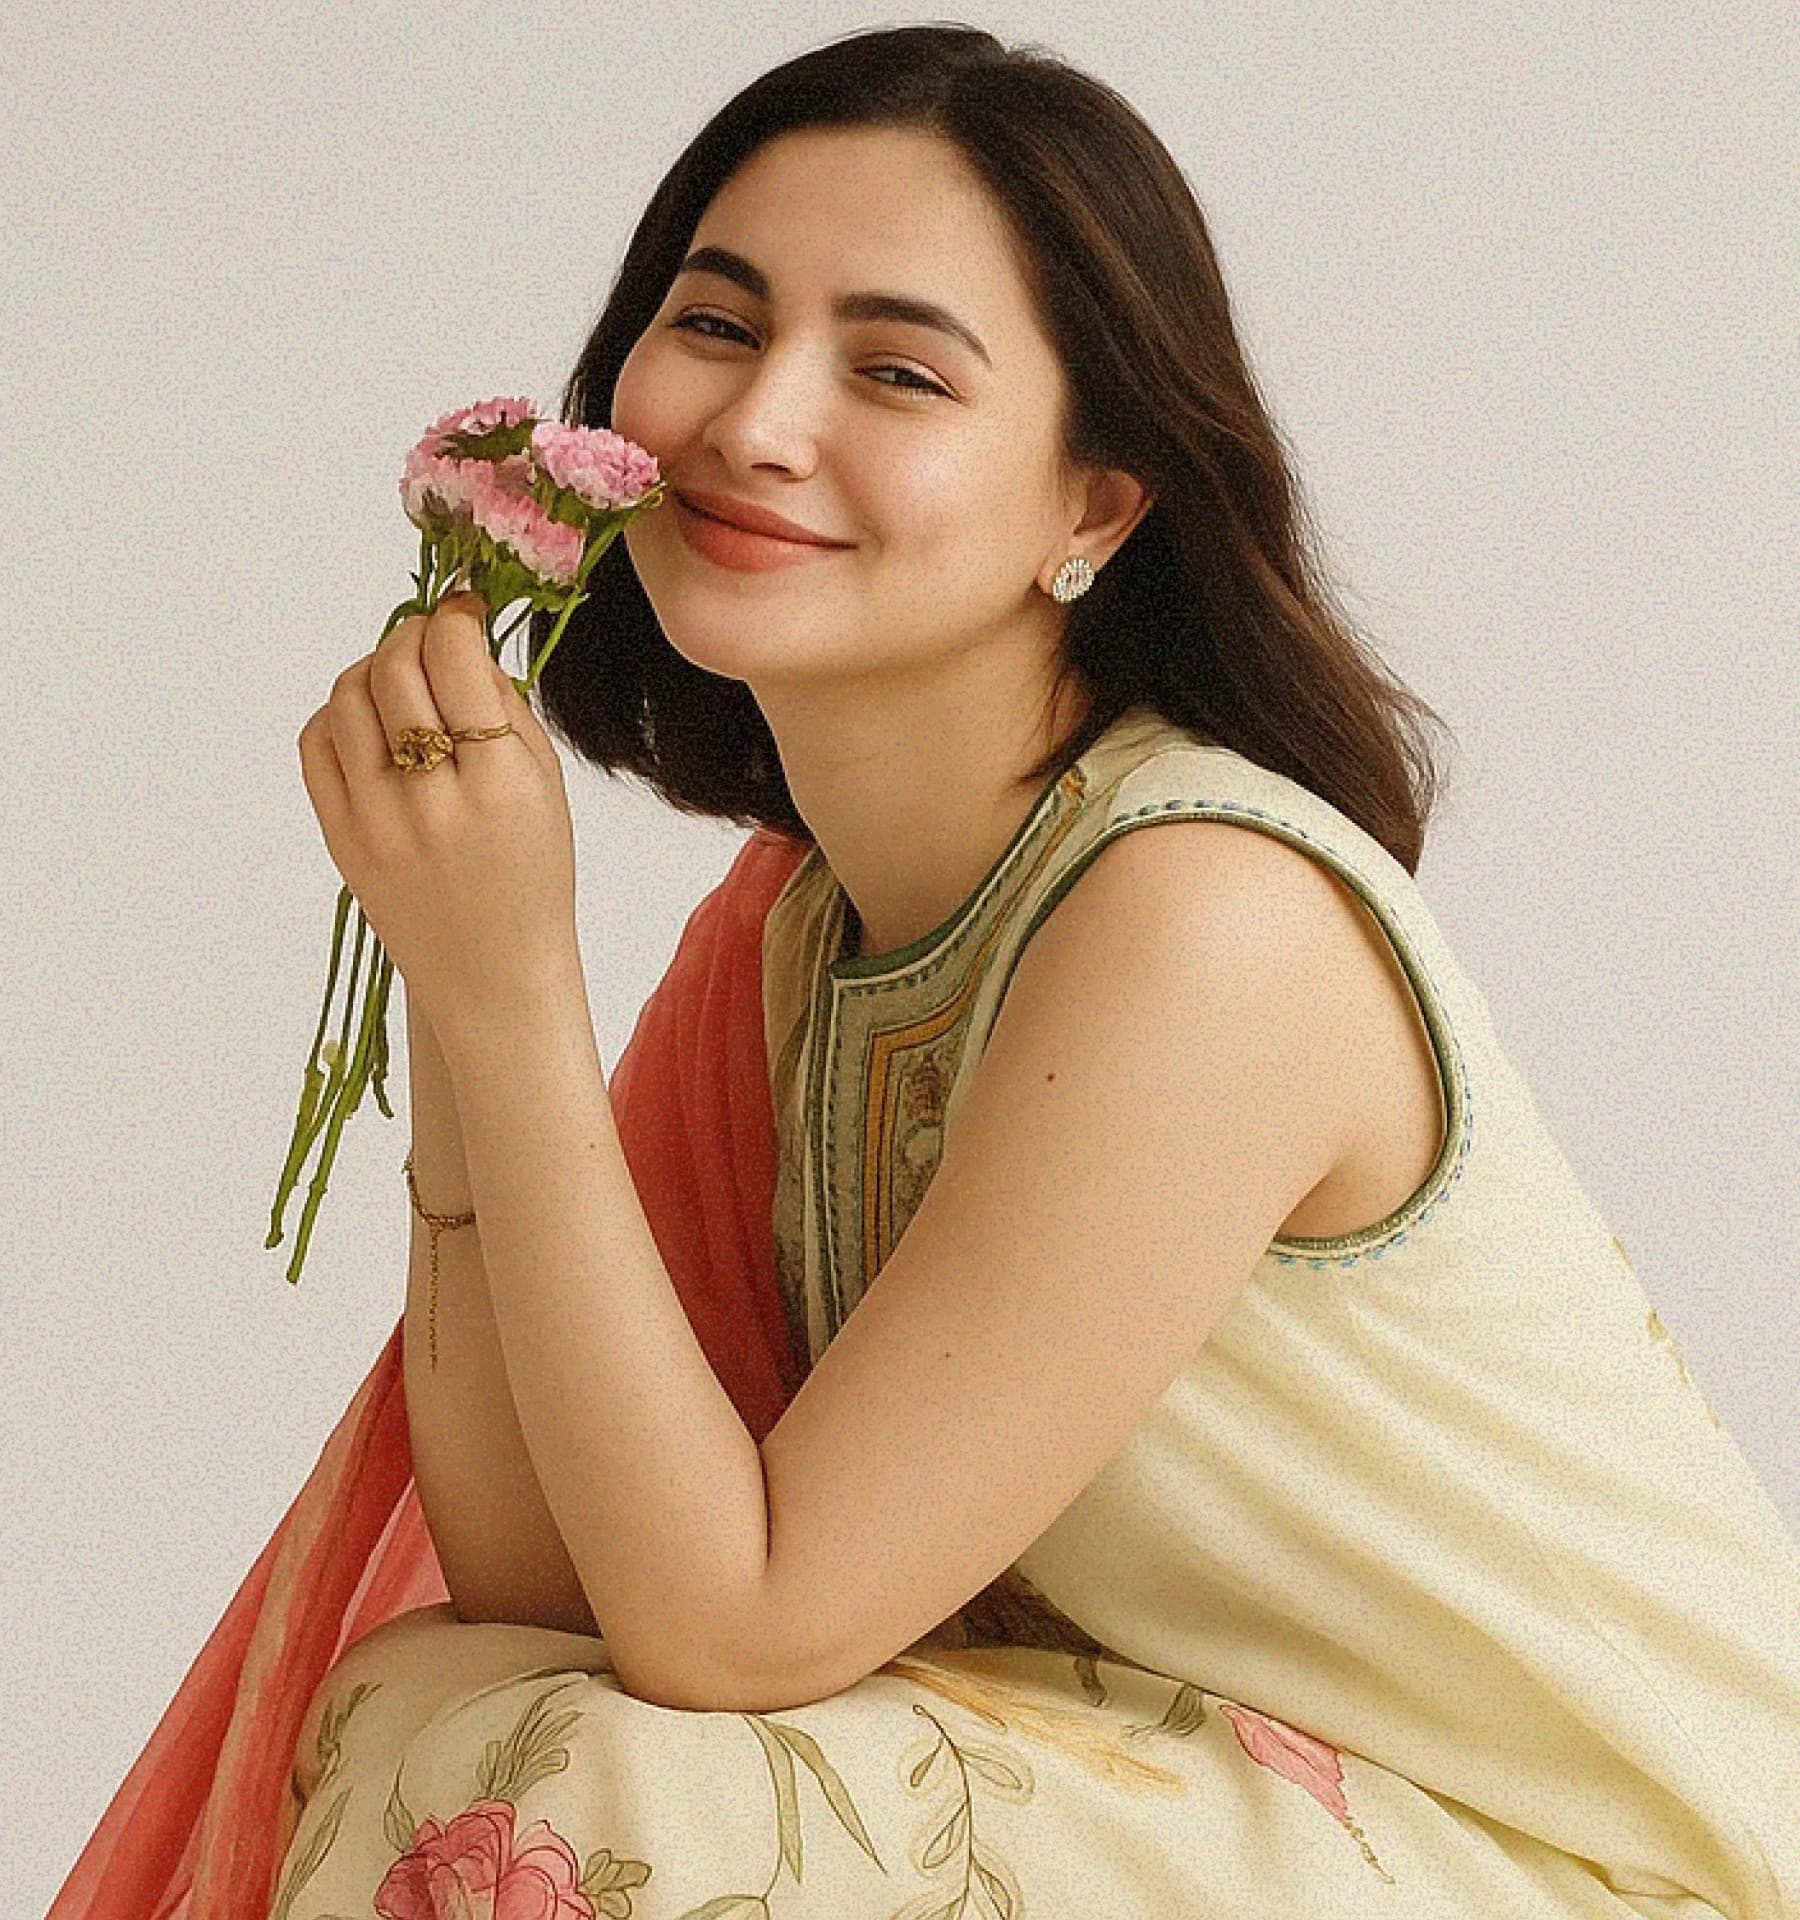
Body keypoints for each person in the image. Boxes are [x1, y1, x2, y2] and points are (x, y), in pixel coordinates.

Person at [51, 25, 1800, 1920]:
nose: (756, 424)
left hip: (1580, 1871)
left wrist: (508, 987)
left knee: (589, 1784)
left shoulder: (1201, 916)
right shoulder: (819, 929)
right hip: (1214, 1803)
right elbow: (547, 1586)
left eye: (895, 370)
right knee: (434, 1697)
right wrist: (453, 971)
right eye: (716, 323)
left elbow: (736, 1627)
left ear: (1093, 508)